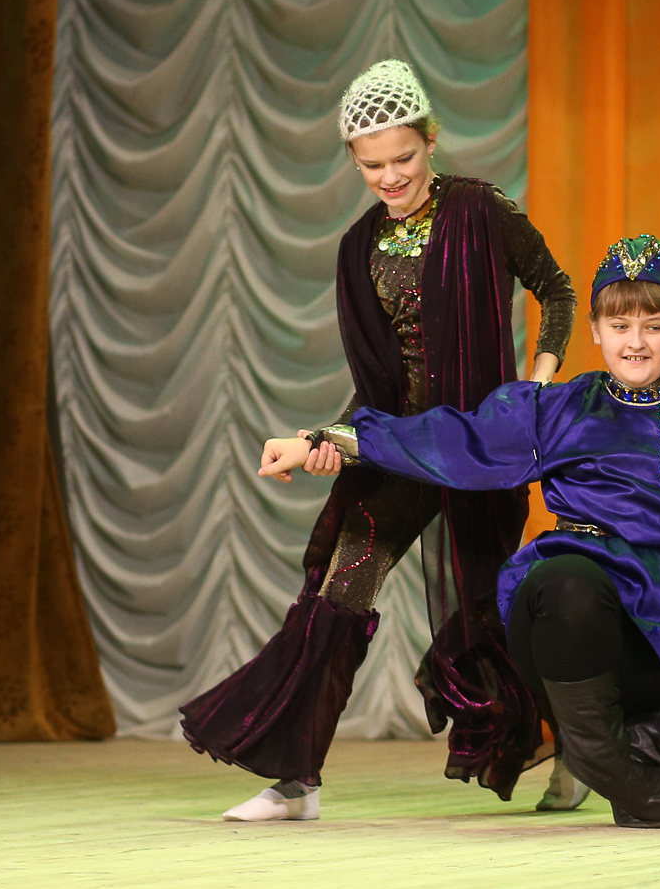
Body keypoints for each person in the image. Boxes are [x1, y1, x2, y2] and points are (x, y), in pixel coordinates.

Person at [267, 235, 660, 828]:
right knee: (571, 578)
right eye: (619, 326)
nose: (636, 342)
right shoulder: (557, 410)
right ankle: (604, 758)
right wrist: (326, 440)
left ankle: (623, 754)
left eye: (653, 327)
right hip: (569, 630)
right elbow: (449, 438)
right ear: (596, 332)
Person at [180, 60, 577, 821]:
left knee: (490, 616)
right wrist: (324, 440)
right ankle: (295, 780)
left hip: (478, 450)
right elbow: (376, 385)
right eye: (372, 166)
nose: (391, 177)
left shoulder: (481, 209)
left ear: (430, 141)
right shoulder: (358, 247)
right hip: (400, 447)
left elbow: (556, 289)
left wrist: (537, 384)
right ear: (353, 162)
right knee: (337, 592)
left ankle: (578, 747)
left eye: (405, 157)